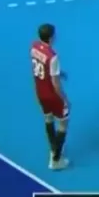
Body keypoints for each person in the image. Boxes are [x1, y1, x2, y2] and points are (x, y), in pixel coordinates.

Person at [30, 24, 69, 170]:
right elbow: (56, 84)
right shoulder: (53, 56)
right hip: (53, 95)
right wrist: (65, 99)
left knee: (48, 118)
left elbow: (42, 66)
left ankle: (53, 147)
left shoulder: (34, 47)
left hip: (40, 91)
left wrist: (59, 72)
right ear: (51, 38)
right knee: (63, 123)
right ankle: (56, 159)